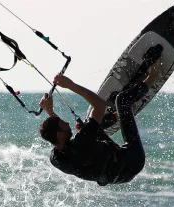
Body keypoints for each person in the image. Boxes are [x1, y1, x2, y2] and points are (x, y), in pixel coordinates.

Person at [38, 49, 163, 186]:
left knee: (88, 126)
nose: (67, 122)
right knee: (122, 100)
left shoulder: (55, 157)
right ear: (60, 134)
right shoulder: (81, 143)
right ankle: (154, 75)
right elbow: (99, 105)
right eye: (63, 123)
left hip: (114, 173)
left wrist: (50, 111)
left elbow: (63, 137)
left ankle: (118, 115)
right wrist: (70, 85)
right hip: (132, 160)